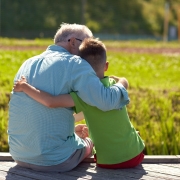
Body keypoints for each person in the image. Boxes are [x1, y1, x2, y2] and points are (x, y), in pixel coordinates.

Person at [8, 23, 130, 172]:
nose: (87, 53)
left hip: (18, 155)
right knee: (90, 142)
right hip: (55, 160)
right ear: (72, 42)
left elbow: (40, 112)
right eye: (86, 44)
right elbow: (106, 101)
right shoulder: (76, 63)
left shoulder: (27, 63)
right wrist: (123, 83)